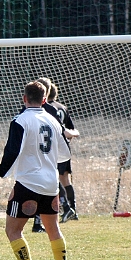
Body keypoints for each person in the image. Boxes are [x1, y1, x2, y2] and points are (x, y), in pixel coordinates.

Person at [0, 81, 71, 260]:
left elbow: (12, 152)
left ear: (24, 98)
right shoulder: (52, 120)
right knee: (53, 229)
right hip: (51, 184)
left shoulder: (20, 121)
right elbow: (65, 154)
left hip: (28, 184)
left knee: (13, 231)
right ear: (44, 100)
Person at [47, 83, 80, 222]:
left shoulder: (46, 109)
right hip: (65, 148)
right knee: (65, 179)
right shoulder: (63, 108)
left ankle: (66, 208)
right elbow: (71, 130)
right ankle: (73, 209)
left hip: (52, 148)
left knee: (53, 177)